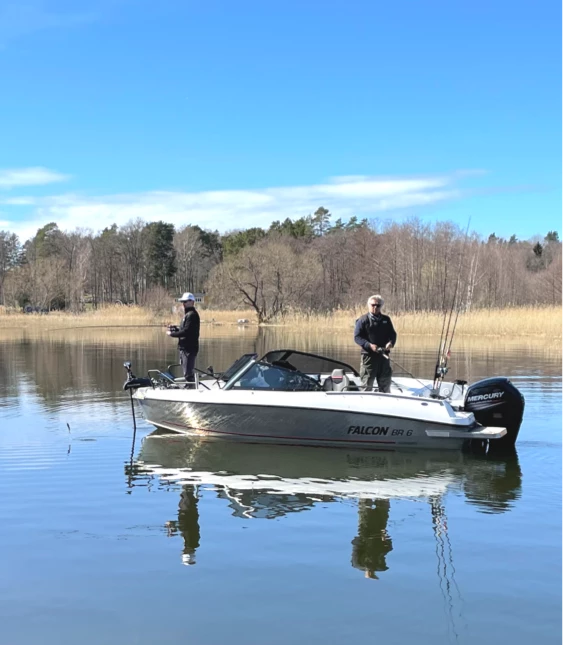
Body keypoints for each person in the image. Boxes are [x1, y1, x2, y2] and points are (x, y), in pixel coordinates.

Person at [354, 295, 397, 393]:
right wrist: (369, 345)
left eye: (378, 305)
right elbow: (357, 337)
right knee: (366, 384)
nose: (375, 307)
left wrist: (391, 343)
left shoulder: (386, 319)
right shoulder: (363, 320)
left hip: (384, 356)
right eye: (373, 305)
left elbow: (393, 334)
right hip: (368, 357)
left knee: (385, 384)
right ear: (369, 305)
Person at [167, 292, 200, 386]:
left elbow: (186, 332)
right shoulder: (187, 315)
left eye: (185, 301)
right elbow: (184, 330)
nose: (183, 303)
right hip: (184, 348)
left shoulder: (192, 315)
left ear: (192, 302)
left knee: (188, 374)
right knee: (186, 372)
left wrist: (172, 334)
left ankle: (190, 389)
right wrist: (175, 329)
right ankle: (189, 387)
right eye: (182, 302)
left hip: (189, 349)